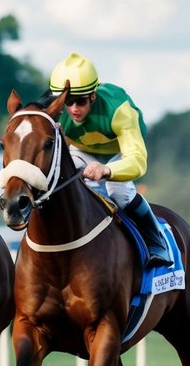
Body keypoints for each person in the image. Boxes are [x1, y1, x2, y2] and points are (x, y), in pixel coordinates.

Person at [47, 53, 172, 268]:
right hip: (82, 151)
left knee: (119, 192)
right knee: (61, 182)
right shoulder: (56, 108)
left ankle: (155, 241)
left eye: (81, 101)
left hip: (119, 152)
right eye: (68, 102)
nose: (74, 108)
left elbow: (138, 161)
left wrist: (106, 170)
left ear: (93, 97)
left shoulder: (119, 110)